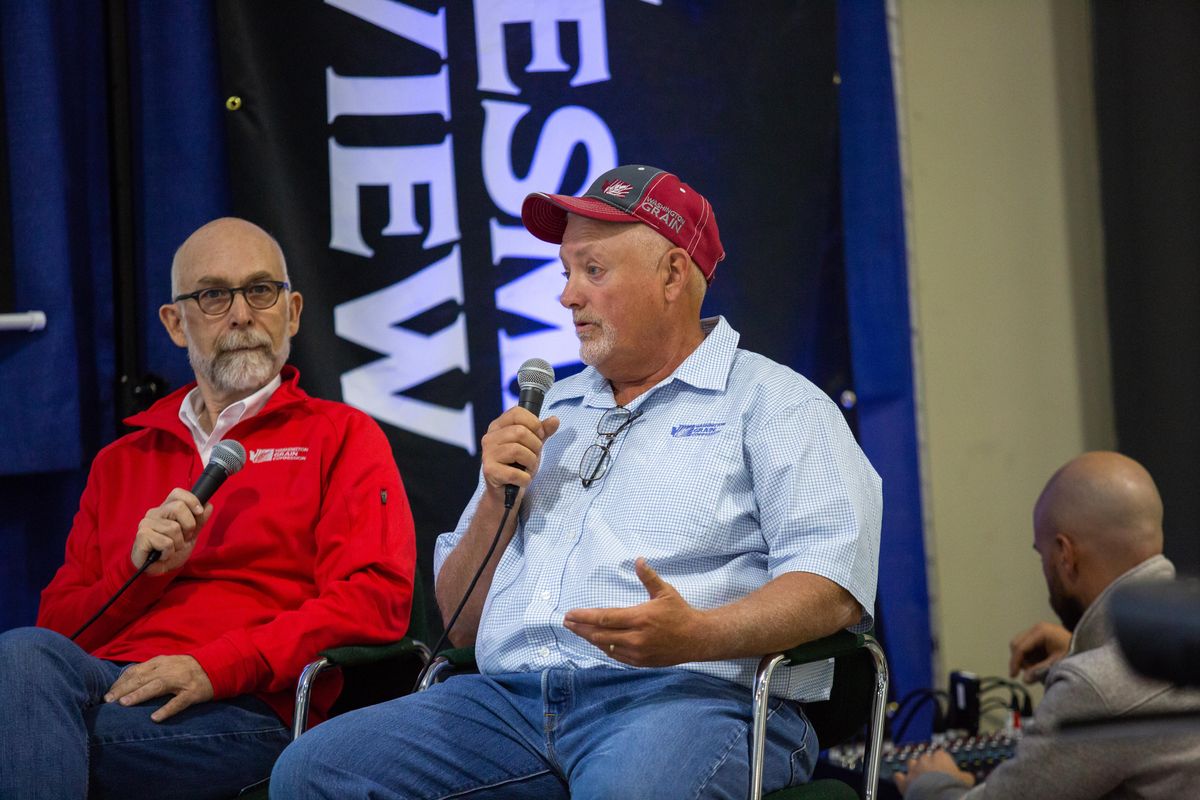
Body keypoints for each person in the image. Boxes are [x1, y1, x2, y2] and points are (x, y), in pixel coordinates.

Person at [271, 164, 881, 798]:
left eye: (593, 270)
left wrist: (700, 634)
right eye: (566, 272)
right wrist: (495, 502)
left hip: (688, 697)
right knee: (312, 773)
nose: (567, 297)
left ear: (673, 274)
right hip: (506, 705)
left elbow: (832, 586)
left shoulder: (775, 404)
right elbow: (458, 628)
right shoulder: (547, 411)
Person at [0, 218, 417, 799]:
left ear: (292, 312)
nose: (242, 314)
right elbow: (60, 630)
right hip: (109, 682)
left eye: (261, 291)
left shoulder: (342, 436)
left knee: (27, 740)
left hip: (247, 706)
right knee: (21, 654)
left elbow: (376, 600)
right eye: (215, 295)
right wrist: (140, 572)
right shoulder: (121, 460)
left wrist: (215, 666)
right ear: (176, 323)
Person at [896, 451, 1200, 799]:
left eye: (1043, 556)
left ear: (1066, 555)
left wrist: (932, 783)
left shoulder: (1096, 685)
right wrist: (1079, 648)